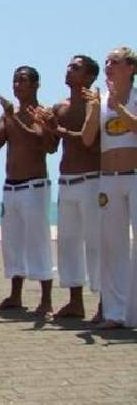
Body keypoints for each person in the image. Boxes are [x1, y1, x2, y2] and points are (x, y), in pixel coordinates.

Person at [0, 66, 56, 317]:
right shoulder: (9, 115)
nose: (17, 85)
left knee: (38, 242)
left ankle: (46, 299)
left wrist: (11, 118)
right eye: (15, 80)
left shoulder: (42, 113)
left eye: (23, 81)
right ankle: (15, 295)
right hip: (11, 186)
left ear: (37, 84)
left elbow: (42, 143)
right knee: (12, 243)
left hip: (34, 186)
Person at [37, 56, 101, 319]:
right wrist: (47, 128)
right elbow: (51, 147)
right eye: (68, 66)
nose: (69, 70)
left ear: (89, 77)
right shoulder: (59, 107)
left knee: (96, 244)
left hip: (92, 180)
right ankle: (76, 302)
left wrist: (60, 130)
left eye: (76, 68)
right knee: (68, 243)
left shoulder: (96, 106)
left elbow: (93, 144)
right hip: (66, 181)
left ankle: (104, 303)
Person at [81, 46, 137, 328]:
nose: (108, 66)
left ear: (131, 67)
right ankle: (115, 313)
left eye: (114, 61)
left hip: (135, 176)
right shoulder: (99, 100)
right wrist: (93, 111)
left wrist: (120, 108)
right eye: (106, 62)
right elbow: (88, 139)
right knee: (111, 246)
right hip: (108, 179)